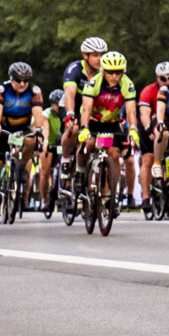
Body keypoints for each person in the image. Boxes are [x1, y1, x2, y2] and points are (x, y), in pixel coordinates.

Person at [78, 51, 139, 207]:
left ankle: (109, 194)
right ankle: (80, 172)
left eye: (118, 72)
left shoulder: (127, 84)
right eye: (110, 72)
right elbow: (86, 109)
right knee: (89, 144)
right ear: (103, 71)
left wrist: (132, 129)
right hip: (92, 120)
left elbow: (131, 110)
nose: (114, 75)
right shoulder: (93, 83)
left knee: (113, 153)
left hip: (111, 122)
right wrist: (84, 128)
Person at [53, 37, 107, 213]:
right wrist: (69, 115)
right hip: (72, 105)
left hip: (92, 109)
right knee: (74, 129)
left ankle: (83, 171)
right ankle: (66, 160)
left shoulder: (107, 71)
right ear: (85, 55)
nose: (100, 58)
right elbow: (69, 94)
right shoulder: (74, 69)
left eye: (102, 54)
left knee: (92, 141)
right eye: (96, 55)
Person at [0, 62, 45, 211]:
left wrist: (39, 130)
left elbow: (38, 114)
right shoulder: (2, 90)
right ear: (11, 79)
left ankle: (21, 165)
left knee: (31, 139)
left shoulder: (34, 91)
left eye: (25, 80)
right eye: (18, 80)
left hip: (23, 126)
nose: (22, 84)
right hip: (4, 126)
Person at [137, 61, 169, 209]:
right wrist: (149, 128)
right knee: (148, 160)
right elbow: (144, 113)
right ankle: (145, 198)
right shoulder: (150, 90)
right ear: (157, 78)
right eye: (163, 78)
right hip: (150, 125)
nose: (168, 81)